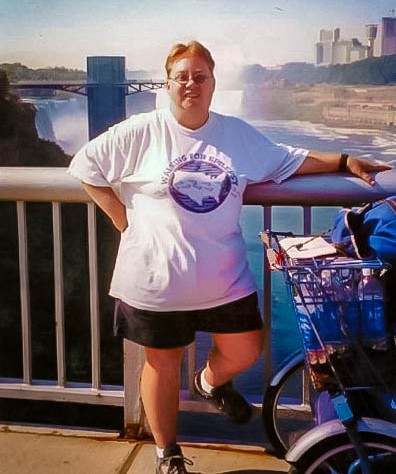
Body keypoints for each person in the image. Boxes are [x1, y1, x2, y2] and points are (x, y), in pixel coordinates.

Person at [68, 41, 391, 474]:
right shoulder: (139, 130)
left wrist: (346, 160)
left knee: (245, 349)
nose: (190, 84)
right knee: (162, 365)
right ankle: (168, 454)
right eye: (181, 76)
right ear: (167, 83)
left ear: (213, 82)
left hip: (223, 276)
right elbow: (86, 166)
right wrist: (123, 221)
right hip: (155, 279)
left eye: (200, 76)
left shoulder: (235, 134)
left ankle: (208, 382)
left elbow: (290, 160)